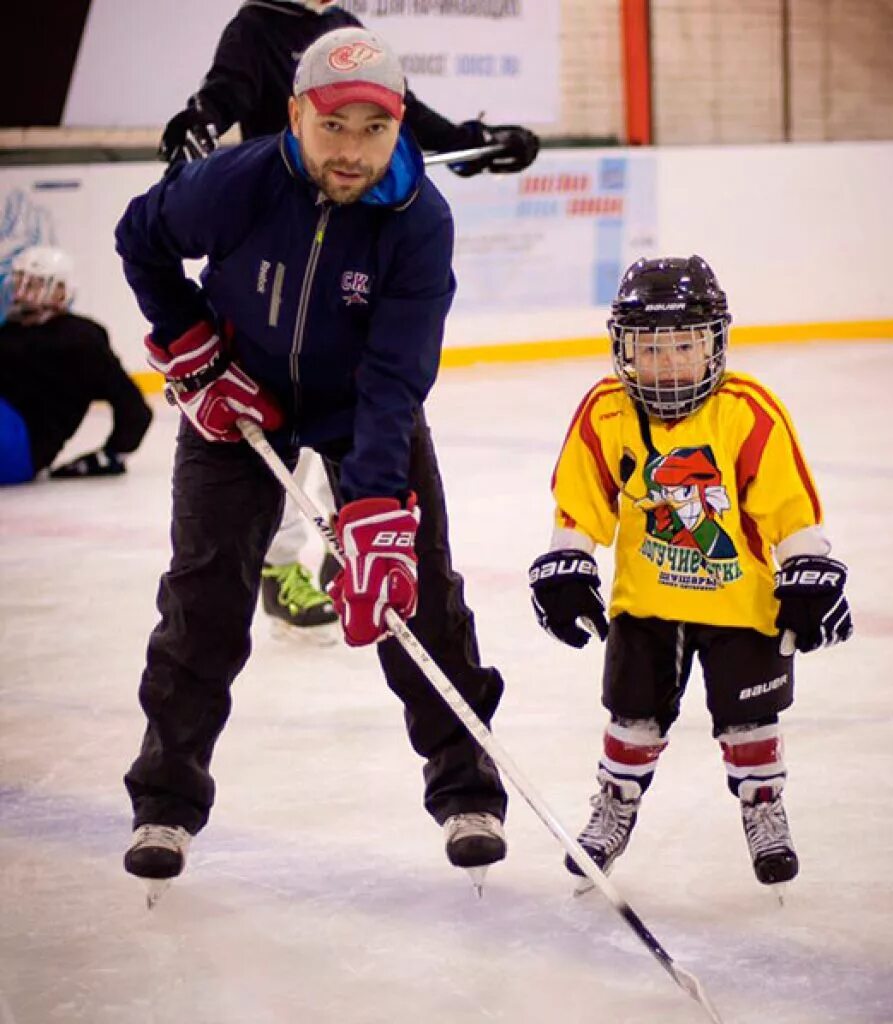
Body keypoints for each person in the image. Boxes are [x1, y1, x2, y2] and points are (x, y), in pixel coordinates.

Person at [115, 26, 509, 898]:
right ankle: (166, 802)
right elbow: (140, 235)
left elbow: (396, 378)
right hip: (238, 400)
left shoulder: (418, 222)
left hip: (357, 404)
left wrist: (375, 518)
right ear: (296, 115)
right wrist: (194, 354)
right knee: (204, 596)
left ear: (400, 126)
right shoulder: (240, 181)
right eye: (334, 126)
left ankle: (467, 793)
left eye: (376, 129)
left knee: (422, 593)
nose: (353, 150)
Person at [159, 0, 540, 636]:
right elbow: (222, 93)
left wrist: (475, 143)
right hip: (276, 241)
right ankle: (280, 565)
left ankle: (359, 551)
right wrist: (199, 123)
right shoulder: (257, 25)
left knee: (352, 410)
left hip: (347, 241)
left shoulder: (346, 28)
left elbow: (405, 114)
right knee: (273, 427)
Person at [528, 256, 853, 892]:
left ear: (714, 343)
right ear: (624, 348)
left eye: (685, 344)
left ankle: (763, 805)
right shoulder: (605, 412)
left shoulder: (747, 411)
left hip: (740, 606)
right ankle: (616, 802)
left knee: (749, 721)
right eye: (650, 347)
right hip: (645, 603)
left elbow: (789, 509)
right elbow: (581, 501)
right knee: (631, 714)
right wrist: (567, 563)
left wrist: (809, 566)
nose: (668, 362)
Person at [0, 246, 152, 485]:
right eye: (19, 282)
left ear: (61, 292)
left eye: (33, 284)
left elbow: (133, 407)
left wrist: (112, 454)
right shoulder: (11, 330)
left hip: (21, 444)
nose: (21, 292)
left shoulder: (80, 337)